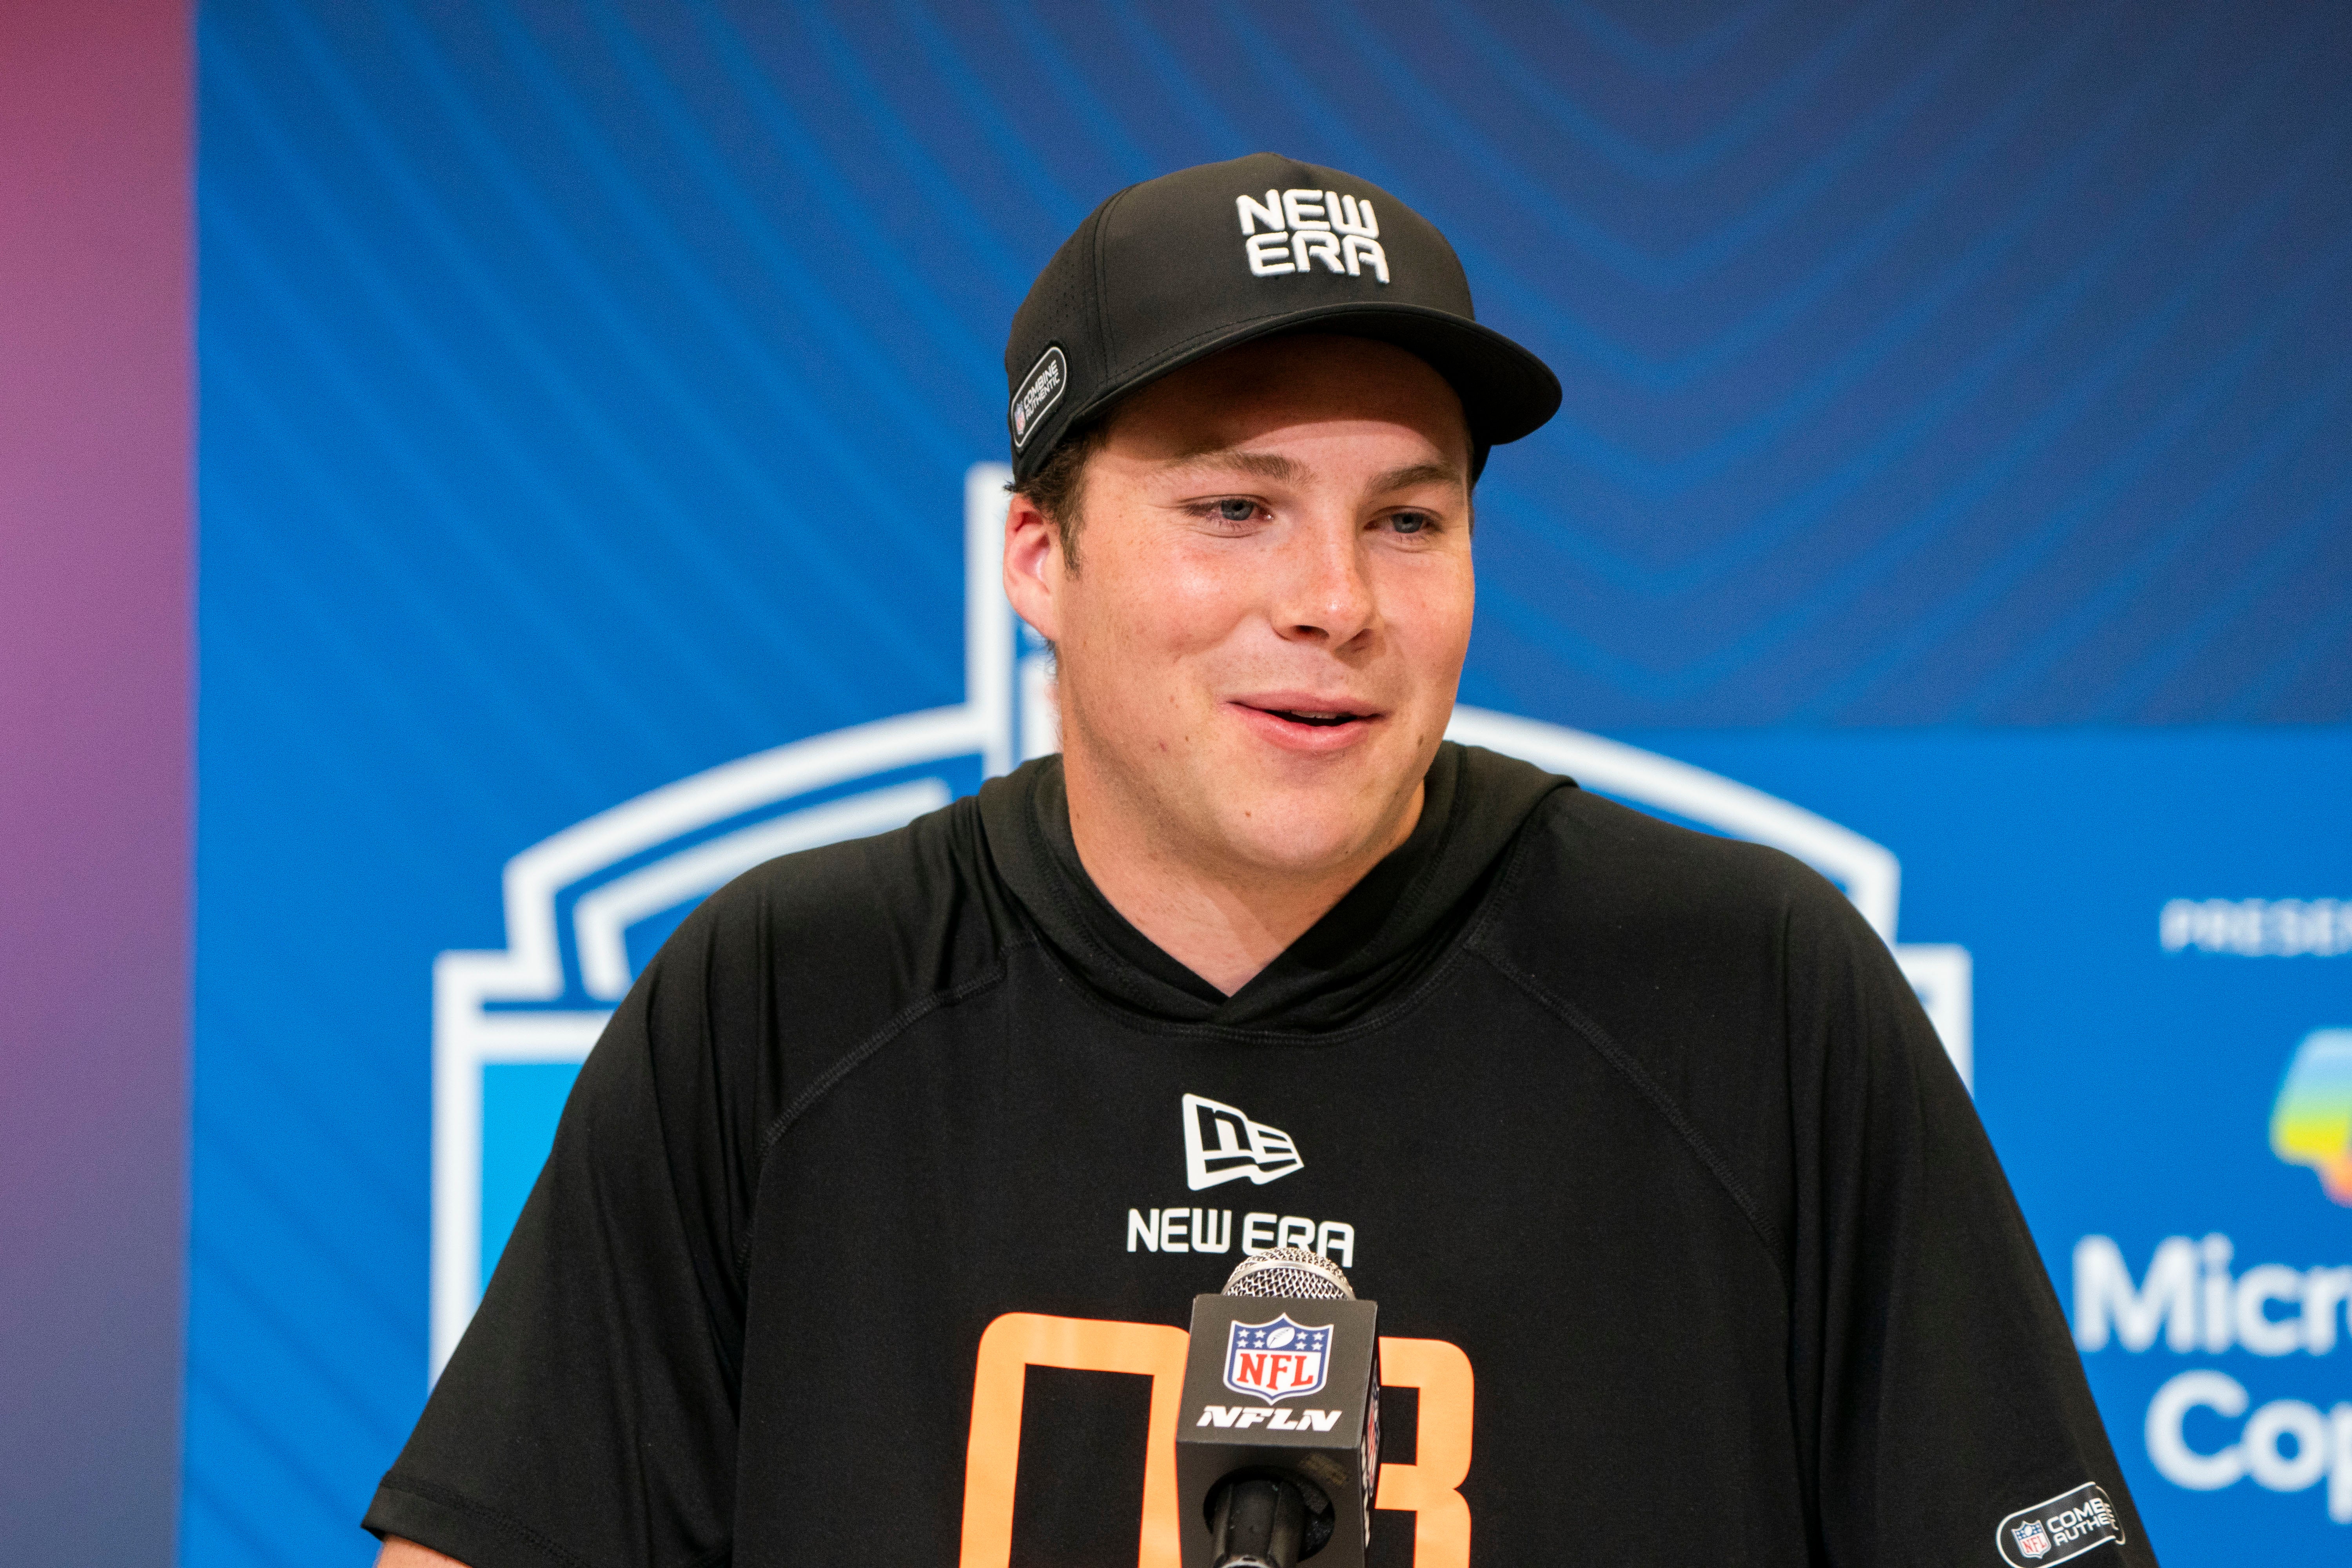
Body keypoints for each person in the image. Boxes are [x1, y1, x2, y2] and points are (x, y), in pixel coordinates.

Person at [369, 153, 2152, 1568]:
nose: (1336, 600)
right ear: (1039, 556)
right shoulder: (782, 996)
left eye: (1409, 519)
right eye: (1236, 507)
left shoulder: (1749, 983)